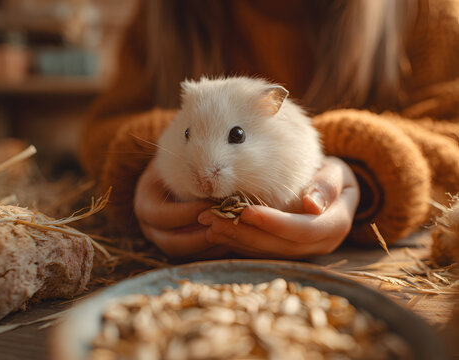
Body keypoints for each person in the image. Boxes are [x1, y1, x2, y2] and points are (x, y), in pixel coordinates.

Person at [80, 0, 459, 259]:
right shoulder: (160, 14)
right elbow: (100, 131)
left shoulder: (427, 13)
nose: (205, 174)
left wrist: (370, 176)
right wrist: (140, 173)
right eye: (188, 136)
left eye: (236, 137)